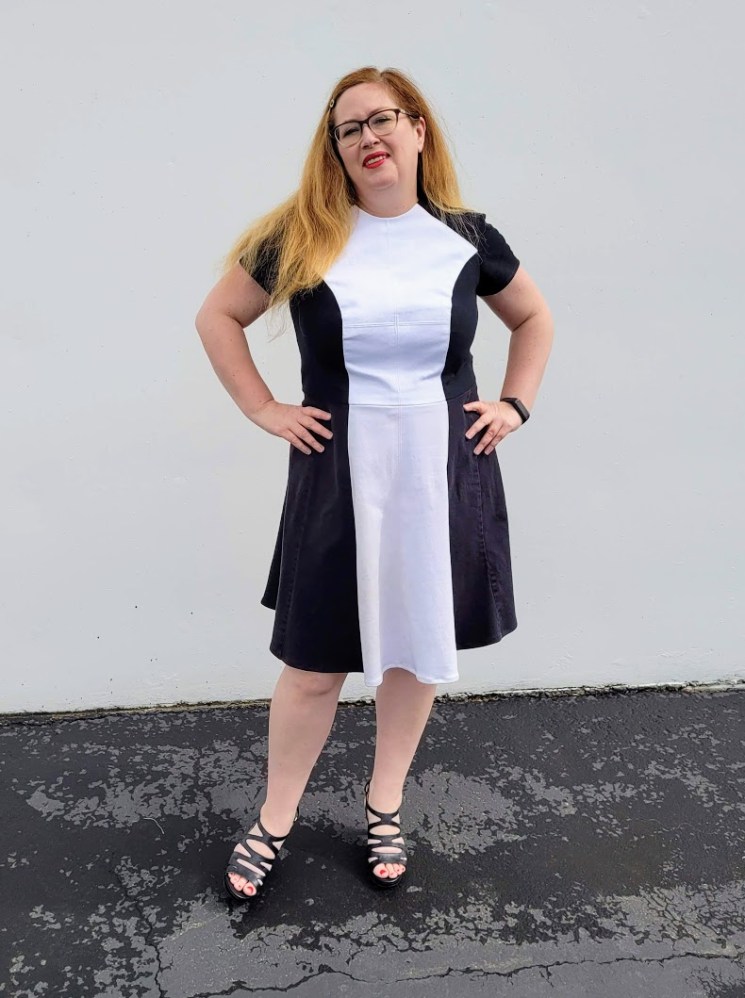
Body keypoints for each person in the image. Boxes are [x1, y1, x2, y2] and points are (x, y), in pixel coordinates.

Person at [194, 66, 554, 901]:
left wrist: (514, 404)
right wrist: (262, 407)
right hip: (337, 473)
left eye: (381, 119)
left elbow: (533, 316)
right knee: (314, 664)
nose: (368, 138)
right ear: (335, 148)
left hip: (441, 472)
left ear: (418, 129)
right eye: (348, 128)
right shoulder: (303, 235)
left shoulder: (466, 237)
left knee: (414, 652)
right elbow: (218, 315)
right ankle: (275, 817)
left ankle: (383, 803)